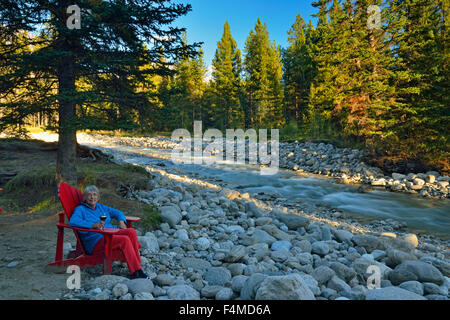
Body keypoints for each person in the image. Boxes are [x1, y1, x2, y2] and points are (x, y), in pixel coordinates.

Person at [69, 185, 149, 279]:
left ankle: (136, 264)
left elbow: (118, 212)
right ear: (85, 197)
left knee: (131, 231)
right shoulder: (81, 209)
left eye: (94, 195)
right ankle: (136, 272)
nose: (92, 197)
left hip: (110, 234)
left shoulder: (101, 207)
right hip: (96, 241)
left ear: (98, 197)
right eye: (89, 195)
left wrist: (121, 221)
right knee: (124, 240)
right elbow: (73, 221)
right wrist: (92, 225)